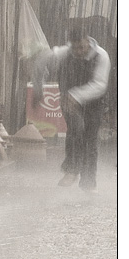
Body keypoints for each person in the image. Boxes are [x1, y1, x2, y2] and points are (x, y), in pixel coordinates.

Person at [32, 28, 111, 192]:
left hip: (93, 102)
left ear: (88, 41)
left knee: (89, 139)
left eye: (82, 47)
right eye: (75, 48)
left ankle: (88, 182)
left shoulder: (101, 56)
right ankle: (72, 169)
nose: (78, 52)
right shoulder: (65, 52)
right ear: (71, 45)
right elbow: (41, 60)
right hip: (68, 99)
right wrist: (38, 88)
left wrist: (77, 95)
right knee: (76, 129)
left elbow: (100, 84)